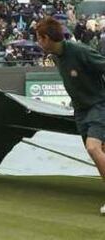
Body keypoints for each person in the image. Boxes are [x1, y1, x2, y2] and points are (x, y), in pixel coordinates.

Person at [36, 17, 105, 214]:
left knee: (93, 148)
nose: (38, 43)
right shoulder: (55, 55)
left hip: (99, 105)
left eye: (39, 39)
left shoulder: (80, 51)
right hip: (80, 110)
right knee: (100, 151)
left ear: (47, 38)